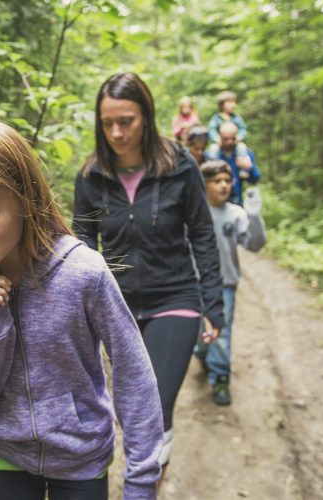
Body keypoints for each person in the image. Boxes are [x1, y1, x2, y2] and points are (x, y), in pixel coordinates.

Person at [0, 117, 164, 500]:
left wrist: (140, 480)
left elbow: (133, 372)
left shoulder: (82, 273)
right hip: (4, 454)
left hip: (81, 457)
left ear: (25, 199)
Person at [73, 73, 225, 484]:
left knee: (155, 401)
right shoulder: (91, 176)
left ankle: (146, 485)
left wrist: (213, 303)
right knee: (129, 407)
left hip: (175, 297)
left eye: (127, 121)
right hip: (116, 306)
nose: (117, 132)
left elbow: (203, 236)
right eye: (107, 123)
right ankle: (147, 470)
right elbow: (82, 246)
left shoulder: (179, 166)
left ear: (147, 116)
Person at [196, 160, 266, 405]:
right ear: (204, 184)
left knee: (221, 333)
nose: (223, 185)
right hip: (192, 283)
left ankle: (221, 378)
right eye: (217, 181)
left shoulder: (236, 213)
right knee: (199, 334)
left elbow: (254, 244)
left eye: (227, 180)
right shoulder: (193, 211)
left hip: (225, 282)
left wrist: (254, 215)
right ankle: (203, 355)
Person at [206, 122, 261, 206]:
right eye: (226, 139)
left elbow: (255, 179)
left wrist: (250, 167)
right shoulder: (211, 155)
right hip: (214, 204)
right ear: (219, 137)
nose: (229, 142)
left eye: (233, 138)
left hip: (236, 202)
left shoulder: (244, 154)